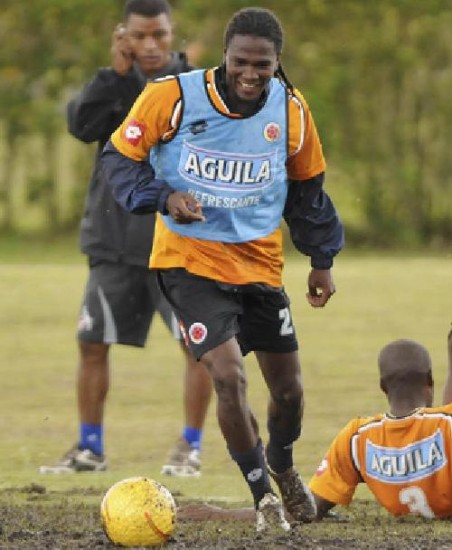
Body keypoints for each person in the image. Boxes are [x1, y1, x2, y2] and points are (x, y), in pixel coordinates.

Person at [102, 6, 344, 532]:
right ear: (225, 57)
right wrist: (164, 197)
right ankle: (264, 499)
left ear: (277, 62)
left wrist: (321, 261)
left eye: (262, 65)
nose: (250, 75)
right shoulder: (173, 96)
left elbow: (307, 193)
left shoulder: (293, 111)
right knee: (228, 376)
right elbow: (119, 160)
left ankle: (281, 465)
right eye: (241, 62)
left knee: (289, 393)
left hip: (259, 265)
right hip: (189, 263)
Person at [39, 0, 213, 477]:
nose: (150, 45)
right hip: (114, 241)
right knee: (92, 342)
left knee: (198, 345)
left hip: (177, 242)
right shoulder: (112, 86)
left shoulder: (196, 87)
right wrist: (114, 75)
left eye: (158, 34)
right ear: (124, 36)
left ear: (172, 32)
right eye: (139, 36)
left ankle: (190, 449)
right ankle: (90, 449)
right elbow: (80, 126)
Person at [309, 327, 452, 520]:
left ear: (383, 387)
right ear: (429, 381)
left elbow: (309, 507)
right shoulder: (446, 424)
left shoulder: (356, 437)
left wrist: (261, 512)